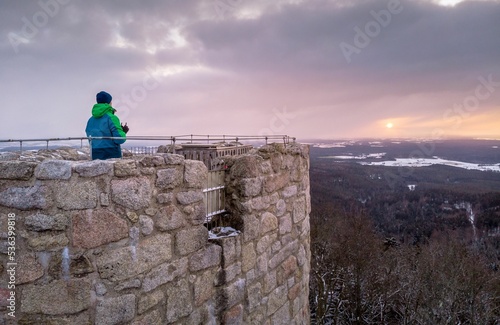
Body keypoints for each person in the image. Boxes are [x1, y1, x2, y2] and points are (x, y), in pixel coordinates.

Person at [85, 91, 129, 160]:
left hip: (95, 154)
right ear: (108, 103)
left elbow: (91, 138)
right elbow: (120, 139)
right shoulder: (111, 118)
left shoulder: (90, 120)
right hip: (111, 153)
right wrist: (123, 132)